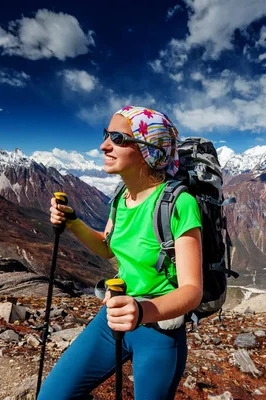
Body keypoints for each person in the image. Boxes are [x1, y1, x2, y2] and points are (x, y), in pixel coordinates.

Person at [38, 106, 203, 400]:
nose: (104, 145)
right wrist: (73, 221)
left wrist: (142, 312)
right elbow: (107, 246)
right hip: (113, 316)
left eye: (118, 138)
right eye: (106, 135)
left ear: (149, 150)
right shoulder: (121, 196)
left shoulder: (179, 204)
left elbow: (192, 290)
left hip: (158, 329)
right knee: (51, 395)